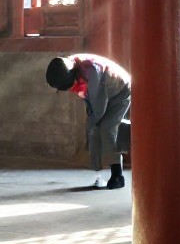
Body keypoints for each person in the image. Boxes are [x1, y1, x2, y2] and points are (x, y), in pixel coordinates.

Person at [46, 54, 131, 189]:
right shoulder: (69, 67)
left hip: (120, 92)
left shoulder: (92, 70)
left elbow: (99, 102)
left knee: (107, 129)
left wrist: (94, 119)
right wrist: (92, 121)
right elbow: (88, 98)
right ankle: (98, 173)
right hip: (104, 93)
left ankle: (118, 176)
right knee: (94, 129)